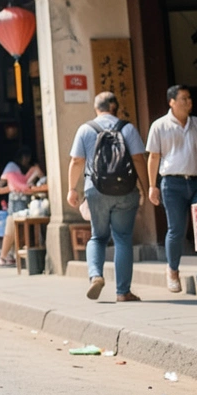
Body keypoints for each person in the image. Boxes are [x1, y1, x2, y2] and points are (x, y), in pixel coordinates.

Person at [69, 92, 150, 302]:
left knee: (98, 237)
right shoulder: (128, 128)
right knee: (122, 238)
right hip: (125, 190)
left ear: (97, 108)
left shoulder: (86, 129)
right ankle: (123, 292)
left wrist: (72, 189)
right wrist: (147, 186)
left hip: (95, 189)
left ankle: (96, 275)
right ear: (115, 107)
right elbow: (139, 160)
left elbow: (76, 161)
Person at [145, 85, 197, 294]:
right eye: (183, 99)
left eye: (189, 98)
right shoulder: (159, 126)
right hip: (172, 184)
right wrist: (152, 186)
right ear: (171, 101)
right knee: (177, 230)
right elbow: (153, 157)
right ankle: (172, 271)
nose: (188, 102)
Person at [0, 148, 45, 266]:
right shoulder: (12, 167)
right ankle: (4, 256)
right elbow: (8, 184)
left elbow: (13, 186)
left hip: (23, 199)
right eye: (25, 157)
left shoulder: (29, 169)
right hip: (17, 201)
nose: (27, 160)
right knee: (11, 228)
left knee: (17, 229)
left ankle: (10, 254)